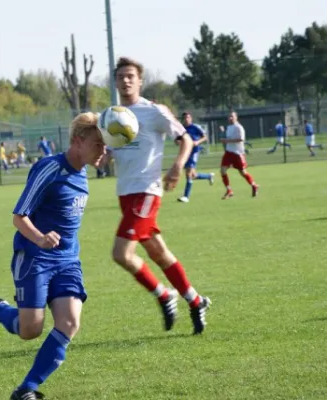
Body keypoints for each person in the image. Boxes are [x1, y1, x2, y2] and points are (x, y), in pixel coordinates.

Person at [0, 112, 106, 400]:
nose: (103, 152)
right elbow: (19, 217)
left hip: (68, 261)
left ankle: (26, 389)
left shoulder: (83, 172)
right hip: (35, 257)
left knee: (69, 323)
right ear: (78, 141)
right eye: (98, 144)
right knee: (30, 329)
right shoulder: (49, 168)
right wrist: (41, 239)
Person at [110, 57, 211, 335]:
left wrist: (177, 166)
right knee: (158, 252)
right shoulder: (112, 114)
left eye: (131, 76)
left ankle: (164, 296)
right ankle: (196, 300)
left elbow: (186, 139)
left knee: (121, 253)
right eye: (121, 76)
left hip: (147, 191)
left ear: (140, 81)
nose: (126, 80)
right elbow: (110, 149)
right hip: (125, 194)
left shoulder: (154, 111)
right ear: (116, 82)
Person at [220, 111, 259, 199]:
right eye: (229, 116)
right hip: (229, 152)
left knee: (243, 172)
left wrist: (227, 141)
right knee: (222, 170)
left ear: (236, 117)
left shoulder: (239, 127)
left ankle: (254, 185)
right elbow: (229, 139)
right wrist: (224, 137)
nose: (230, 118)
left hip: (238, 153)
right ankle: (229, 190)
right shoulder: (229, 127)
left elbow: (241, 139)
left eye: (232, 116)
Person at [178, 112, 214, 203]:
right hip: (186, 152)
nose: (186, 119)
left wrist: (197, 142)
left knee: (188, 174)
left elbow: (205, 137)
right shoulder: (181, 129)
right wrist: (179, 143)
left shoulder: (195, 127)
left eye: (188, 117)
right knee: (193, 175)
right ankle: (208, 176)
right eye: (185, 118)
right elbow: (178, 140)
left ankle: (186, 196)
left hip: (194, 152)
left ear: (191, 118)